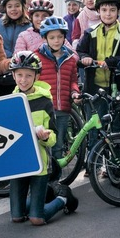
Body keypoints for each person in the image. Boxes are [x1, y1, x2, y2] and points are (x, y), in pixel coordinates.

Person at [6, 51, 71, 225]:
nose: (23, 80)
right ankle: (42, 197)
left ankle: (63, 198)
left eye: (28, 75)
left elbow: (54, 138)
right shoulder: (9, 101)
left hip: (39, 164)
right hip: (18, 165)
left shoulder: (44, 102)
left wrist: (44, 137)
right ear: (13, 75)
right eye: (19, 75)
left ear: (37, 76)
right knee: (17, 217)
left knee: (37, 219)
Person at [75, 0, 120, 106]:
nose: (108, 14)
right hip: (94, 86)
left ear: (119, 11)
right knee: (96, 121)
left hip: (118, 85)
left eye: (112, 10)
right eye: (104, 10)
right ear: (98, 11)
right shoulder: (90, 33)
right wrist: (85, 57)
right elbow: (79, 51)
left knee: (118, 121)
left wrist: (110, 62)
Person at [36, 16, 80, 160]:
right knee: (42, 146)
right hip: (44, 110)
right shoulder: (36, 57)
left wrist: (74, 92)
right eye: (52, 37)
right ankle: (42, 180)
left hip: (63, 109)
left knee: (58, 146)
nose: (56, 40)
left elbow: (73, 80)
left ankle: (55, 180)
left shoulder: (70, 59)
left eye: (60, 37)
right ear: (45, 38)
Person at [0, 0, 30, 96]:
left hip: (22, 72)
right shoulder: (0, 24)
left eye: (17, 6)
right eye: (10, 6)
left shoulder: (29, 25)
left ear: (23, 7)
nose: (13, 9)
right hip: (3, 73)